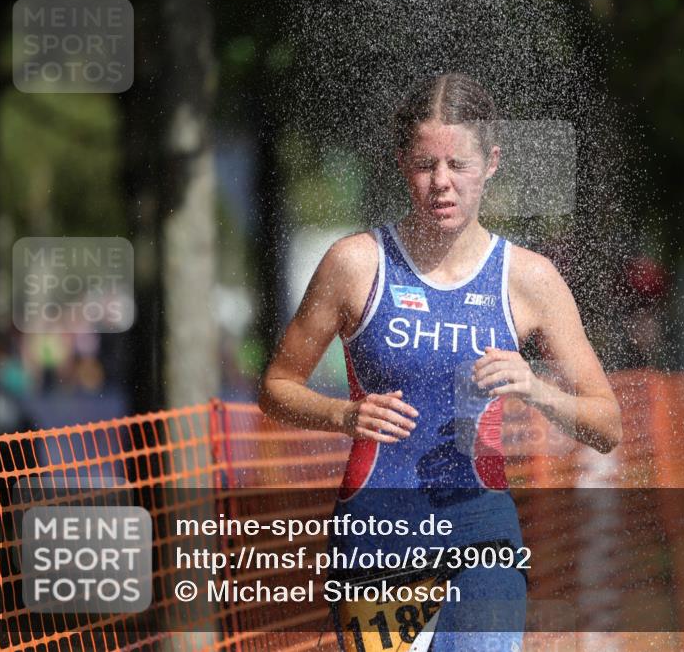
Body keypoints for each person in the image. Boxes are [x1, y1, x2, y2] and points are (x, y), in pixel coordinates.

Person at [259, 73, 622, 652]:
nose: (442, 183)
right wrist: (343, 415)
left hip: (482, 530)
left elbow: (606, 425)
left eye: (459, 164)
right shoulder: (356, 263)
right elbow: (277, 387)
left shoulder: (529, 279)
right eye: (426, 165)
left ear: (492, 163)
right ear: (402, 163)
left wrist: (535, 387)